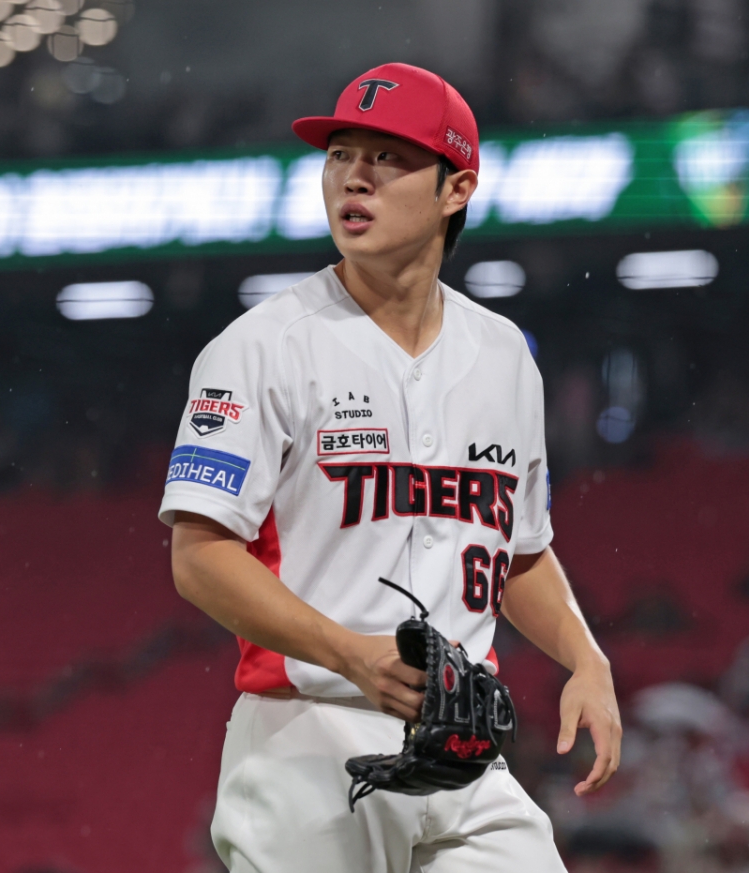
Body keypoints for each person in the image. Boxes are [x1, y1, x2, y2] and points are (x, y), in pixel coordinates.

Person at [158, 62, 621, 872]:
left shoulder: (505, 356)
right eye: (341, 154)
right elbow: (198, 557)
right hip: (309, 733)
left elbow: (519, 551)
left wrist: (587, 658)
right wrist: (348, 652)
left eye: (388, 157)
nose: (354, 176)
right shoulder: (260, 346)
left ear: (456, 188)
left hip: (465, 747)